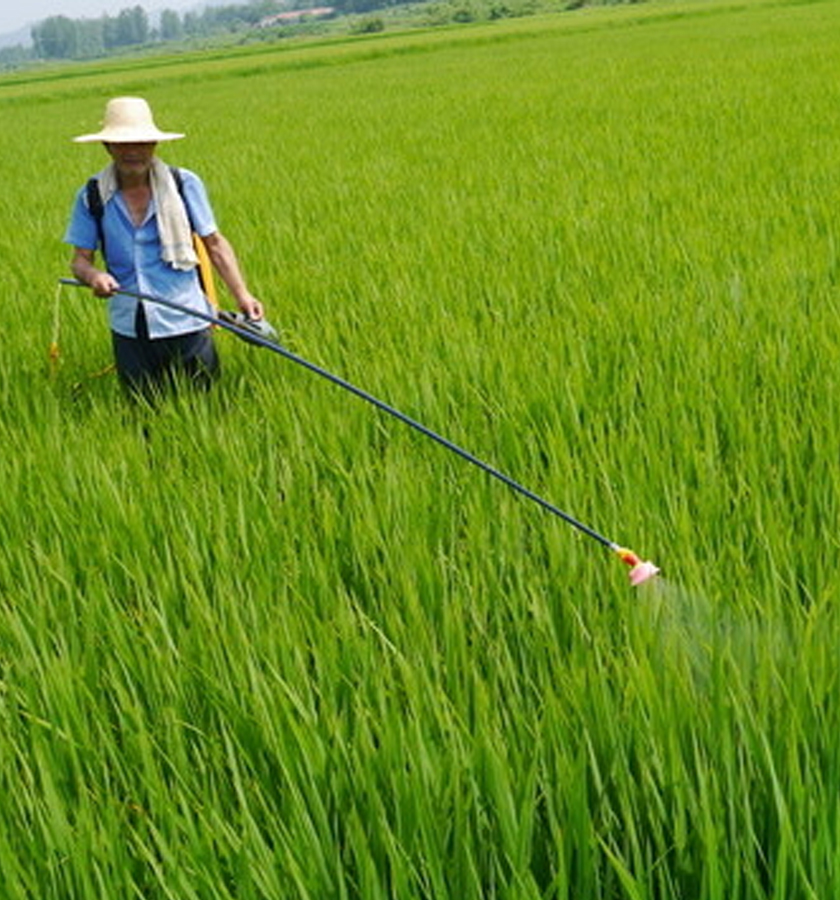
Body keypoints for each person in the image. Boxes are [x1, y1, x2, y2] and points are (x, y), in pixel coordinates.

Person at [64, 96, 264, 399]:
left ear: (154, 144)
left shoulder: (183, 184)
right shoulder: (92, 195)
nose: (133, 151)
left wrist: (242, 295)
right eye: (123, 143)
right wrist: (94, 277)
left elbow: (215, 244)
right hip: (130, 326)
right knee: (143, 411)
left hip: (187, 318)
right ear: (107, 147)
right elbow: (79, 261)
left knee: (206, 406)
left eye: (142, 142)